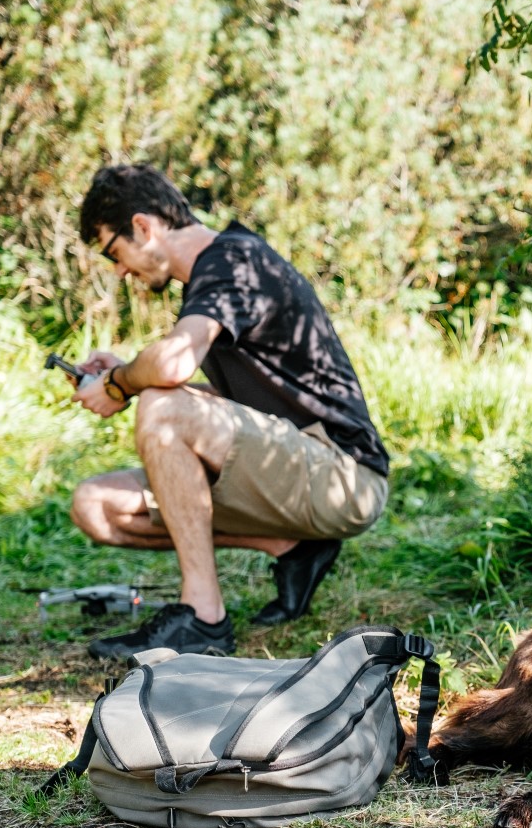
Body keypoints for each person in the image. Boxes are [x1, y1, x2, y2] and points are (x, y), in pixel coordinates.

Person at [66, 163, 389, 661]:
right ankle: (290, 548)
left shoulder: (233, 261)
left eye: (116, 252)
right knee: (95, 504)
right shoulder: (211, 278)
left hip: (346, 475)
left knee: (163, 404)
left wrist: (118, 381)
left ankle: (203, 619)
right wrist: (128, 380)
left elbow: (171, 366)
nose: (120, 270)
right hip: (294, 465)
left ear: (144, 227)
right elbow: (233, 407)